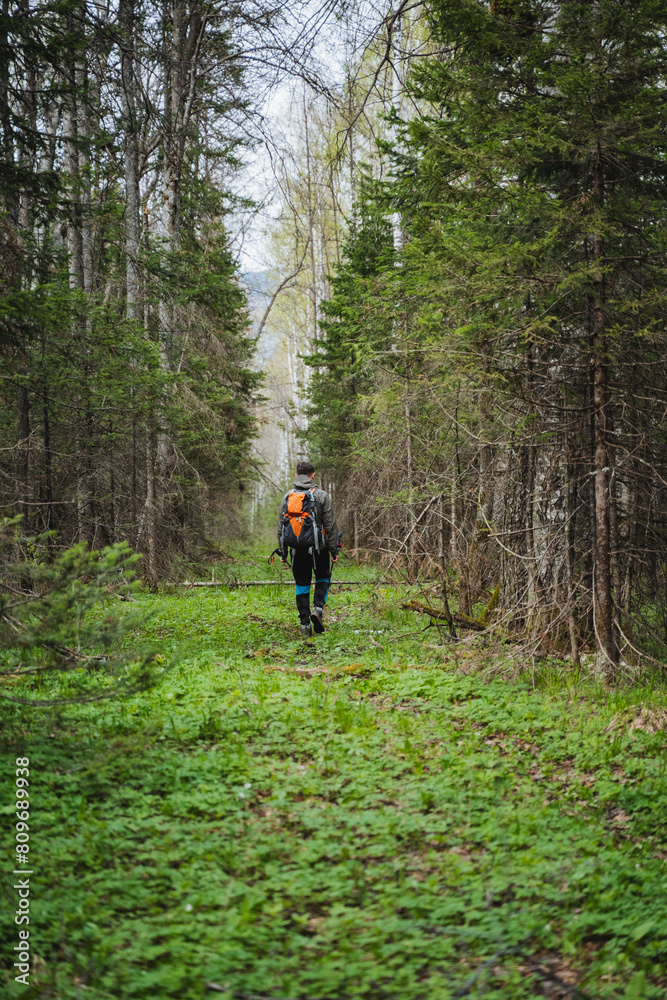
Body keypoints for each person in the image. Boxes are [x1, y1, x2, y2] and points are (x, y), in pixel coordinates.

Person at [278, 461, 339, 637]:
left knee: (302, 584)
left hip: (297, 550)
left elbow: (281, 527)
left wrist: (283, 551)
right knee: (323, 577)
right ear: (312, 475)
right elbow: (331, 524)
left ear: (297, 475)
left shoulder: (287, 497)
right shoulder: (321, 496)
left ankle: (305, 625)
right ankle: (318, 608)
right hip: (319, 548)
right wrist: (333, 549)